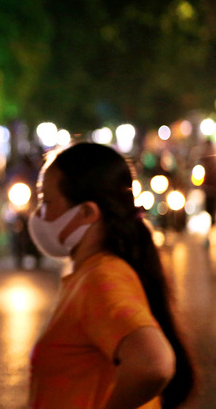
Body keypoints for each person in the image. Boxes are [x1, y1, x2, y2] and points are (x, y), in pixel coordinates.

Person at [27, 142, 195, 409]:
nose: (38, 215)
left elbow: (154, 362)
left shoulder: (101, 279)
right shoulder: (94, 273)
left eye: (47, 201)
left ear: (86, 213)